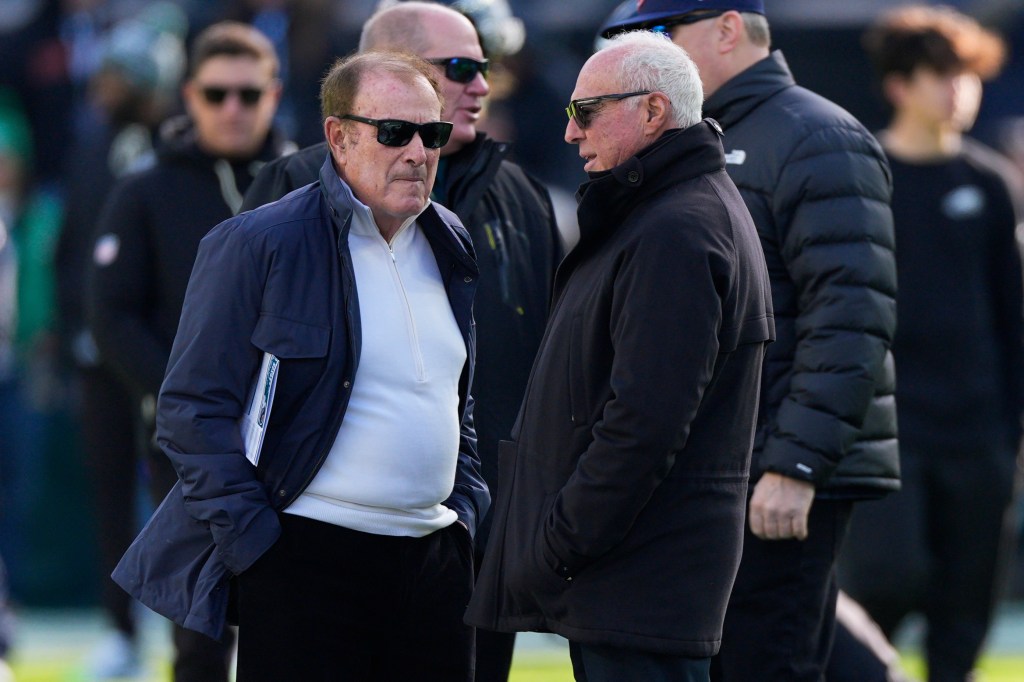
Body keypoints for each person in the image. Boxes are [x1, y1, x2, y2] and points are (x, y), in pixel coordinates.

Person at [112, 50, 488, 682]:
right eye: (395, 132)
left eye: (433, 133)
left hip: (435, 566)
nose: (418, 152)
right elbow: (190, 410)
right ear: (338, 137)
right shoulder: (259, 241)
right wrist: (257, 547)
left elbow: (457, 398)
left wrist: (468, 509)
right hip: (305, 561)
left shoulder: (449, 238)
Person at [240, 4, 561, 679]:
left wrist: (485, 509)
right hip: (315, 550)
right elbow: (220, 382)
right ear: (393, 73)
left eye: (488, 68)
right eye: (463, 68)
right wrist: (250, 533)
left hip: (469, 547)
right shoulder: (294, 190)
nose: (483, 84)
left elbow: (536, 367)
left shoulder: (521, 194)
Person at [599, 3, 899, 681]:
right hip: (713, 473)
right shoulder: (696, 137)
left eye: (663, 33)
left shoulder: (816, 136)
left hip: (773, 479)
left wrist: (793, 466)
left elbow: (851, 318)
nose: (652, 53)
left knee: (770, 664)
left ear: (727, 30)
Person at [466, 30, 774, 682]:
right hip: (634, 581)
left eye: (586, 112)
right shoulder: (666, 212)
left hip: (640, 583)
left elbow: (645, 421)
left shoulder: (678, 229)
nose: (571, 133)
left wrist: (558, 543)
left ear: (653, 112)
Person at [87, 21, 289, 682]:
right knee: (199, 628)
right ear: (189, 95)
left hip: (294, 437)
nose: (233, 107)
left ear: (274, 92)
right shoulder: (144, 189)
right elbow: (111, 312)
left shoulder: (310, 183)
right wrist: (178, 399)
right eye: (216, 93)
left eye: (248, 93)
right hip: (191, 444)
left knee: (294, 621)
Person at [838, 8, 1023, 682]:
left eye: (966, 76)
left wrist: (1011, 431)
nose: (958, 91)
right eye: (941, 75)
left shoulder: (991, 183)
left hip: (979, 434)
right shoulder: (864, 175)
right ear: (899, 85)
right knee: (887, 580)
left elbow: (1012, 315)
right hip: (890, 429)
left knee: (966, 607)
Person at [54, 13, 186, 676]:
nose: (101, 85)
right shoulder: (88, 141)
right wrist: (64, 321)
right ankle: (120, 628)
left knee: (183, 493)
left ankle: (190, 629)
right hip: (97, 353)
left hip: (160, 354)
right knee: (109, 493)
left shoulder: (170, 149)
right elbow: (74, 239)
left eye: (115, 74)